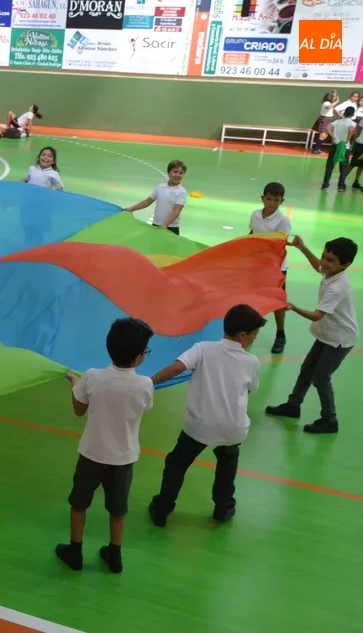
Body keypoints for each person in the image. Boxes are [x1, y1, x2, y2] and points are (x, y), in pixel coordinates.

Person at [147, 305, 265, 527]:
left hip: (200, 426)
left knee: (177, 463)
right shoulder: (251, 362)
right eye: (254, 335)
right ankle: (224, 508)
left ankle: (162, 508)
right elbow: (250, 388)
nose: (254, 339)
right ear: (242, 335)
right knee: (227, 465)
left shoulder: (203, 349)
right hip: (233, 427)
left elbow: (176, 368)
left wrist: (149, 383)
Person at [56, 318, 154, 574]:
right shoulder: (145, 385)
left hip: (92, 454)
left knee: (79, 503)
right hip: (124, 457)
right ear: (138, 356)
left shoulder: (92, 377)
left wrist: (74, 384)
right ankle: (115, 554)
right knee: (118, 508)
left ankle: (75, 550)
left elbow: (79, 410)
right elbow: (142, 407)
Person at [266, 236, 357, 434]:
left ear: (345, 265)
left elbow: (316, 316)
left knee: (321, 378)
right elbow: (319, 267)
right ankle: (293, 405)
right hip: (327, 333)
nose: (323, 262)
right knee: (307, 370)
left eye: (330, 260)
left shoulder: (337, 287)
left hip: (339, 339)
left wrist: (292, 306)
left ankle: (330, 420)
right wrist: (303, 247)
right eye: (323, 256)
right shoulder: (332, 273)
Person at [248, 182, 291, 354]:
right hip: (257, 265)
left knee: (277, 302)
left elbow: (279, 246)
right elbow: (253, 234)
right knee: (253, 298)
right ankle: (252, 330)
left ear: (282, 201)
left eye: (276, 200)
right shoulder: (255, 215)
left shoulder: (283, 221)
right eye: (268, 199)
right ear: (262, 198)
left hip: (276, 268)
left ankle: (281, 334)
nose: (271, 203)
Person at [123, 160, 188, 235]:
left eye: (181, 173)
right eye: (175, 172)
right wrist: (132, 208)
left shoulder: (182, 192)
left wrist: (165, 225)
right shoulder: (160, 187)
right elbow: (147, 202)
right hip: (156, 225)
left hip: (171, 227)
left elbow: (176, 211)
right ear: (169, 173)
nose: (177, 175)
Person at [322, 106, 356, 192]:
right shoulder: (352, 123)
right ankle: (341, 185)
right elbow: (351, 130)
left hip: (335, 144)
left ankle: (325, 184)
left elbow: (327, 127)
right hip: (345, 146)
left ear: (344, 113)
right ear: (352, 114)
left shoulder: (337, 121)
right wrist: (348, 139)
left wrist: (333, 136)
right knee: (344, 166)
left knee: (330, 165)